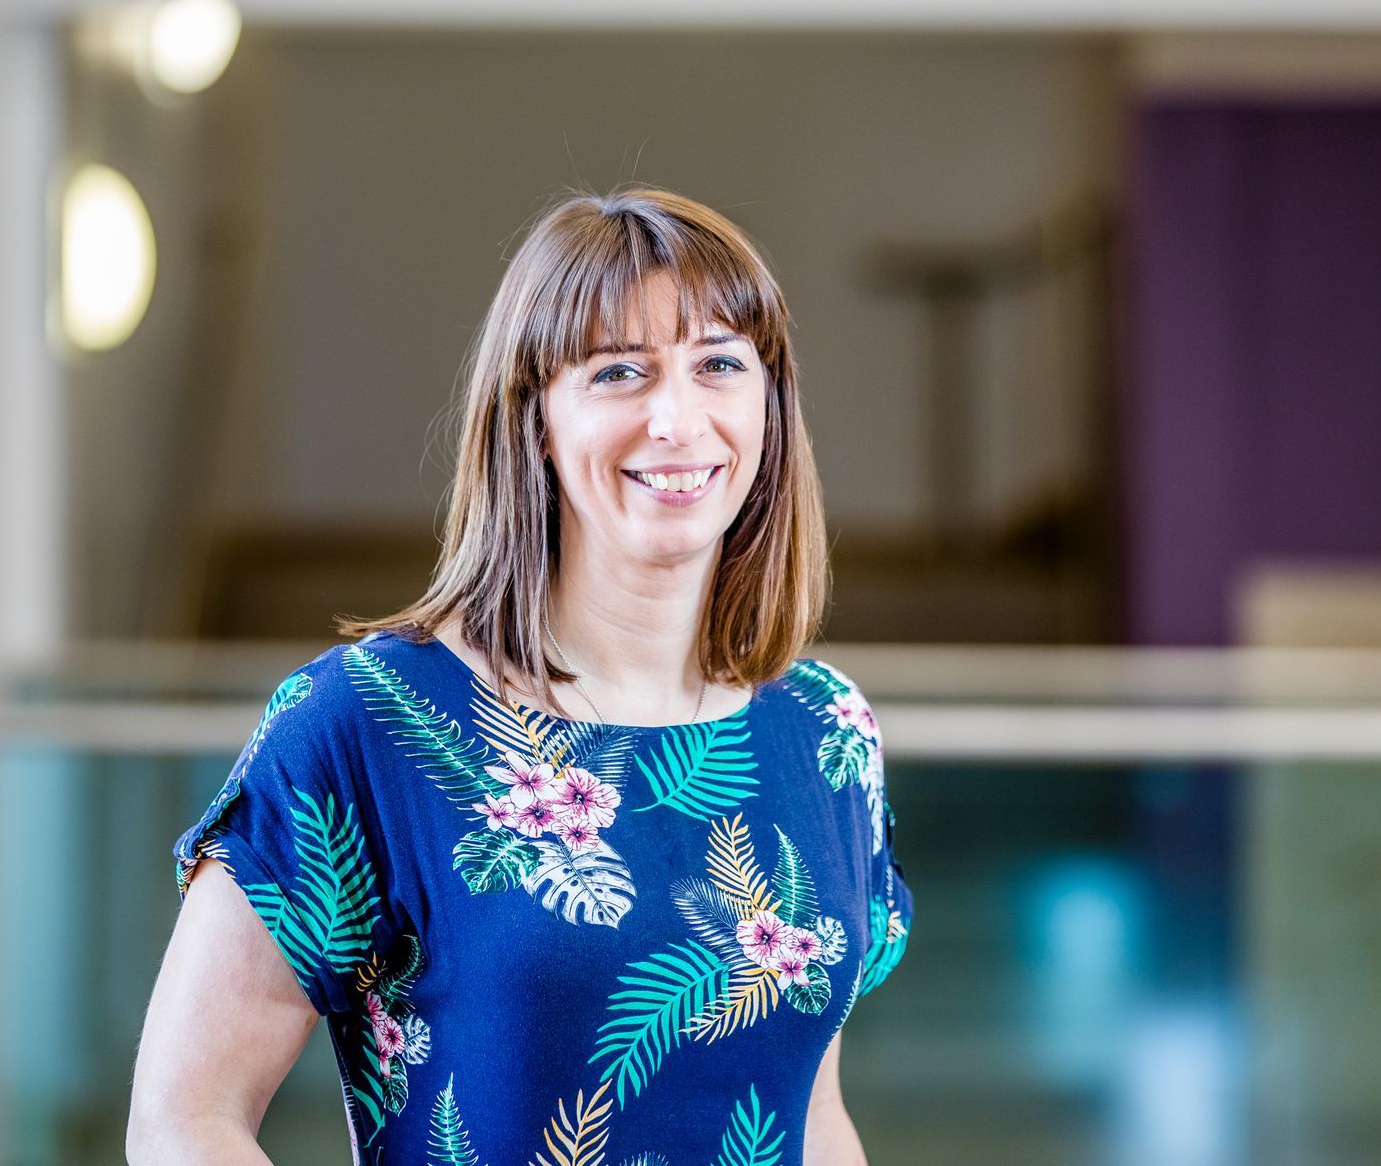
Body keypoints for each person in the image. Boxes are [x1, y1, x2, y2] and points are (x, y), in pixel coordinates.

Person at [127, 186, 913, 1165]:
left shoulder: (824, 730)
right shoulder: (370, 720)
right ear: (534, 417)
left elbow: (815, 1111)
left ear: (770, 402)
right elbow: (184, 1118)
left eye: (719, 364)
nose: (678, 418)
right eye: (620, 372)